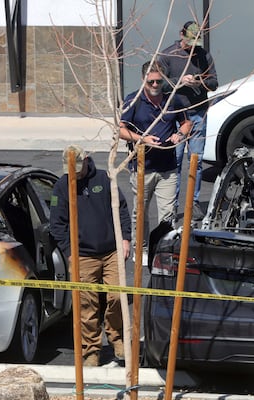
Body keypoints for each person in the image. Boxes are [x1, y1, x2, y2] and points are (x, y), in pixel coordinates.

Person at [49, 145, 131, 367]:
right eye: (69, 168)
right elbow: (56, 225)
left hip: (111, 250)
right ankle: (91, 350)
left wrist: (125, 239)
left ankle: (117, 339)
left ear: (86, 160)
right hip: (82, 255)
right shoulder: (62, 186)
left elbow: (121, 208)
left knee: (116, 297)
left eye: (77, 167)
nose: (73, 172)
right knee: (87, 305)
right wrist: (69, 253)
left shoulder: (104, 179)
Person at [119, 61, 192, 260]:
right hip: (143, 167)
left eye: (158, 81)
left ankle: (163, 250)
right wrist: (141, 139)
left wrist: (179, 134)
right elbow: (121, 130)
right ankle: (141, 250)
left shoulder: (172, 100)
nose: (154, 85)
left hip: (167, 168)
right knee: (140, 212)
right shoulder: (133, 100)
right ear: (144, 80)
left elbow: (186, 123)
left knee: (167, 214)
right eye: (150, 81)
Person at [158, 20, 219, 221]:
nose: (192, 45)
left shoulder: (203, 55)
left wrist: (199, 81)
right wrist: (180, 82)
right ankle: (172, 205)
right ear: (181, 34)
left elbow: (214, 83)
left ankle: (192, 203)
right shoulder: (168, 55)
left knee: (196, 160)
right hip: (175, 115)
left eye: (195, 41)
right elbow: (159, 85)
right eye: (189, 40)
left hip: (197, 113)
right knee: (174, 161)